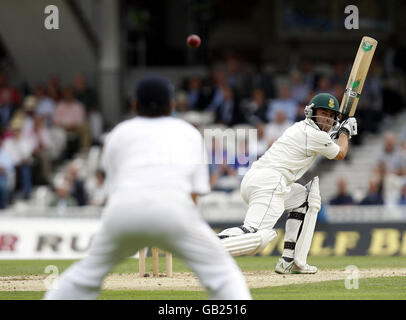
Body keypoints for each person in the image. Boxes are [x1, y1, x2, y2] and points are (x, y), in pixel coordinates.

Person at [44, 75, 251, 300]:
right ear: (172, 105)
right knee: (224, 276)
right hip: (175, 212)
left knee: (84, 277)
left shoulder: (118, 134)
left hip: (122, 212)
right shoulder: (188, 133)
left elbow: (113, 186)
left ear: (134, 105)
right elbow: (195, 193)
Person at [218, 93, 357, 274]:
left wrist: (339, 132)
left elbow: (327, 141)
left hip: (261, 180)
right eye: (324, 113)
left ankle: (290, 261)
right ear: (312, 112)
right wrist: (345, 132)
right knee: (257, 235)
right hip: (270, 182)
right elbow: (340, 153)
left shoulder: (302, 128)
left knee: (306, 198)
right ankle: (208, 247)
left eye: (331, 115)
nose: (327, 118)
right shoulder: (313, 134)